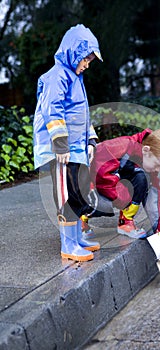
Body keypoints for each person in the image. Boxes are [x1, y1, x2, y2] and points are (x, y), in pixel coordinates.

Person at [33, 24, 103, 262]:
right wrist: (60, 143)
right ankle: (68, 244)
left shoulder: (75, 77)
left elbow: (81, 113)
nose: (86, 65)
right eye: (85, 59)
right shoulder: (58, 76)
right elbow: (52, 109)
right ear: (73, 53)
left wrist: (91, 139)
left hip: (75, 148)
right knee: (66, 194)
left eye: (89, 61)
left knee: (77, 191)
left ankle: (76, 239)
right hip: (63, 150)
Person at [82, 128, 160, 239]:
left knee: (144, 180)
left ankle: (125, 222)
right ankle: (80, 220)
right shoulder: (120, 147)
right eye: (157, 164)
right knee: (101, 203)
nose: (157, 170)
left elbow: (155, 198)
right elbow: (101, 176)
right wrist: (121, 198)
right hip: (90, 184)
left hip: (114, 186)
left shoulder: (147, 160)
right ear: (146, 151)